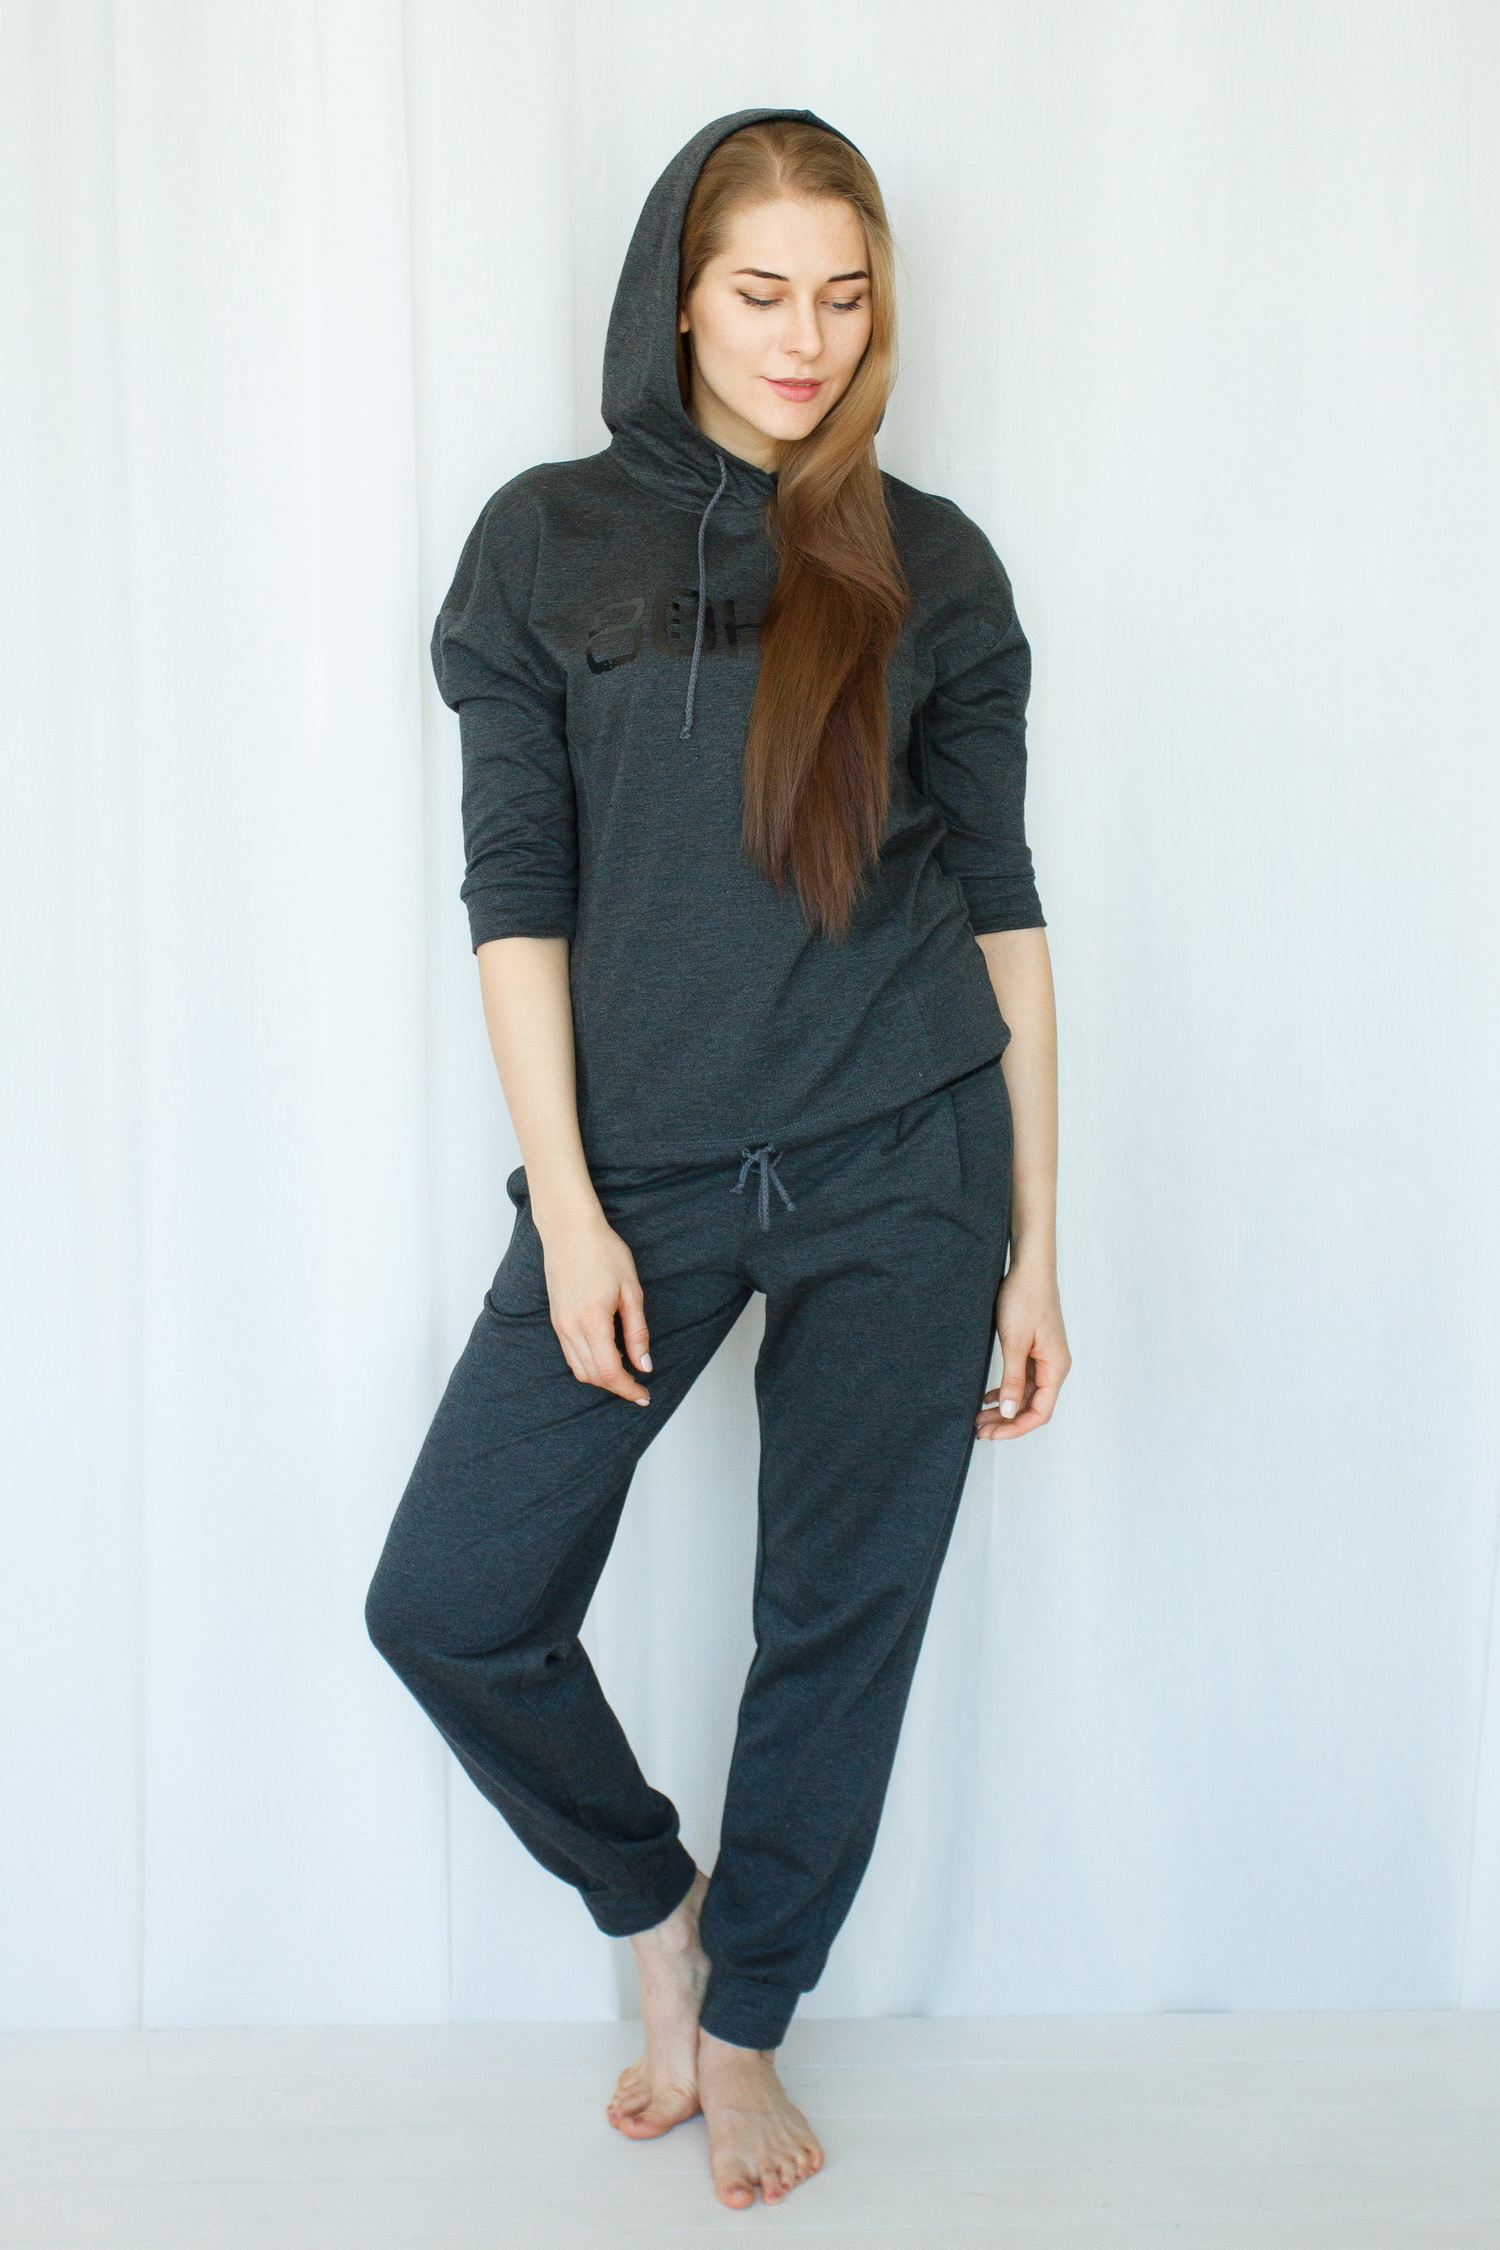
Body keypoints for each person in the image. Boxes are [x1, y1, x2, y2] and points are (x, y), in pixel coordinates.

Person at [366, 105, 1071, 2212]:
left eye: (844, 298)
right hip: (646, 1179)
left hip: (905, 1153)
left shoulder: (931, 563)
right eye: (762, 291)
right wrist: (574, 1211)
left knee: (837, 1617)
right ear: (677, 295)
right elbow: (517, 898)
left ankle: (747, 2014)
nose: (804, 340)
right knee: (451, 1603)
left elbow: (1005, 909)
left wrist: (1038, 1241)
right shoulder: (546, 542)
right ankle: (655, 1911)